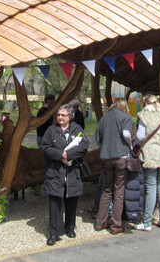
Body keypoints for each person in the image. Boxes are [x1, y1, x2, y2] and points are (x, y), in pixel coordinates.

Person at [41, 103, 89, 246]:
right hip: (55, 172)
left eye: (63, 115)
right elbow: (45, 147)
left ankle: (70, 227)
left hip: (72, 172)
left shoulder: (77, 129)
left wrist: (68, 155)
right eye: (58, 115)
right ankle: (54, 232)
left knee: (72, 201)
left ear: (70, 117)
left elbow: (84, 146)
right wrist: (60, 155)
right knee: (55, 203)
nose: (60, 117)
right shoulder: (51, 130)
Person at [133, 94, 160, 231]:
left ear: (145, 103)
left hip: (150, 155)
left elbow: (140, 136)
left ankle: (147, 223)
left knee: (151, 187)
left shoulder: (144, 116)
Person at [94, 98, 133, 234]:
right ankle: (116, 224)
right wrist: (130, 145)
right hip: (121, 156)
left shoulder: (104, 119)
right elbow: (126, 134)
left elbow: (97, 140)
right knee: (119, 191)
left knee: (106, 189)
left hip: (106, 157)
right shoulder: (126, 117)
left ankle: (100, 222)